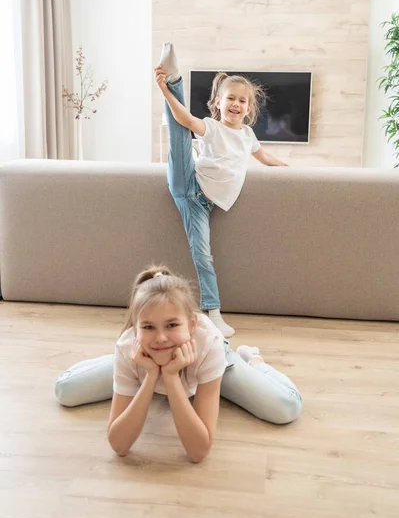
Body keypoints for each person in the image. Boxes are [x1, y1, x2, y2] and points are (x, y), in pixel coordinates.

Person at [54, 265, 303, 463]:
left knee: (286, 407)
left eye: (172, 325)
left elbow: (198, 453)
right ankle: (120, 363)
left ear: (192, 324)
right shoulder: (132, 346)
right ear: (136, 329)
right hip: (142, 360)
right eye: (148, 327)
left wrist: (171, 379)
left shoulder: (209, 342)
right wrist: (150, 377)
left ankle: (253, 360)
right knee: (65, 390)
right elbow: (119, 446)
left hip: (212, 366)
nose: (161, 336)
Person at [155, 43, 288, 337]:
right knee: (180, 131)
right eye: (230, 99)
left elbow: (264, 157)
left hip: (207, 203)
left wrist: (290, 170)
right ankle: (213, 312)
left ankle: (173, 82)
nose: (236, 104)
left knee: (205, 255)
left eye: (242, 101)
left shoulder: (247, 135)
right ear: (218, 102)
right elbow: (187, 120)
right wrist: (164, 91)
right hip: (190, 189)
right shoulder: (212, 127)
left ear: (249, 108)